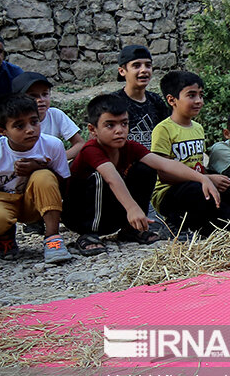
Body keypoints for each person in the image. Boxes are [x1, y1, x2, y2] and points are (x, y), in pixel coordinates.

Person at [64, 94, 207, 255]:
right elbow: (112, 178)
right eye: (110, 125)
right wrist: (132, 208)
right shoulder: (91, 149)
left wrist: (202, 178)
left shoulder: (130, 147)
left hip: (112, 211)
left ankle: (131, 228)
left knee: (146, 168)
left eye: (124, 124)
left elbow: (164, 163)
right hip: (79, 216)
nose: (119, 130)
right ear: (92, 130)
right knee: (98, 176)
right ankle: (89, 234)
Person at [149, 71, 230, 236]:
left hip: (198, 186)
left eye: (201, 95)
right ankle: (175, 223)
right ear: (172, 100)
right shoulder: (163, 129)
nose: (199, 101)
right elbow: (163, 174)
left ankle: (208, 225)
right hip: (170, 193)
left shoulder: (198, 128)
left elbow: (198, 164)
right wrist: (205, 179)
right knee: (195, 190)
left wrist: (211, 179)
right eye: (191, 95)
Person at [0, 94, 72, 263]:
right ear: (1, 131)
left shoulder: (53, 145)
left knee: (43, 176)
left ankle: (52, 238)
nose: (30, 129)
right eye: (19, 126)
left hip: (37, 203)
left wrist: (38, 167)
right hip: (5, 200)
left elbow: (64, 183)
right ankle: (4, 237)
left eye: (34, 122)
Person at [12, 71, 84, 162]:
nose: (41, 100)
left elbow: (80, 144)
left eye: (45, 94)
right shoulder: (13, 121)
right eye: (33, 96)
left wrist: (55, 159)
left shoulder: (55, 115)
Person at [116, 45, 167, 148]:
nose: (144, 70)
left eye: (148, 65)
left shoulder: (156, 101)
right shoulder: (113, 101)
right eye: (136, 65)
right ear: (122, 71)